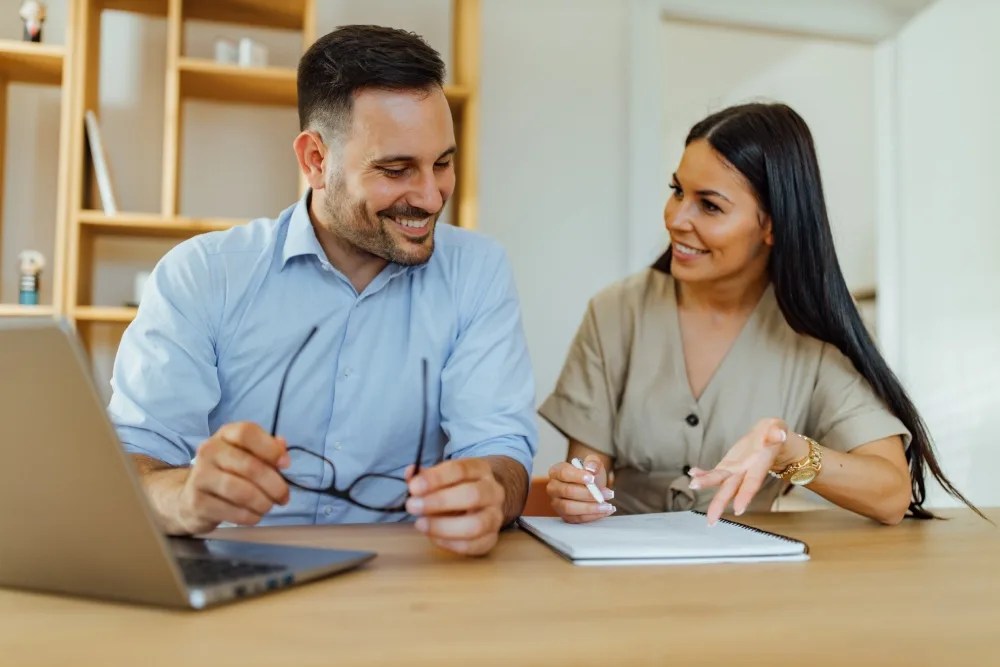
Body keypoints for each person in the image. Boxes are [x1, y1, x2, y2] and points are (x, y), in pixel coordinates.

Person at [109, 25, 537, 557]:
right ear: (315, 160)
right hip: (240, 579)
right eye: (396, 169)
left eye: (443, 163)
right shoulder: (203, 275)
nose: (430, 196)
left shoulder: (478, 273)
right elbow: (132, 462)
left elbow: (501, 449)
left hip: (409, 583)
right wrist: (184, 497)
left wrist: (490, 493)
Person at [541, 102, 979, 526]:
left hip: (751, 583)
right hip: (618, 576)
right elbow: (586, 468)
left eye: (709, 205)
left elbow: (890, 495)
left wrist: (790, 452)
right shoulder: (615, 312)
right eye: (677, 192)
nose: (676, 219)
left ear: (772, 224)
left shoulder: (813, 335)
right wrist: (578, 489)